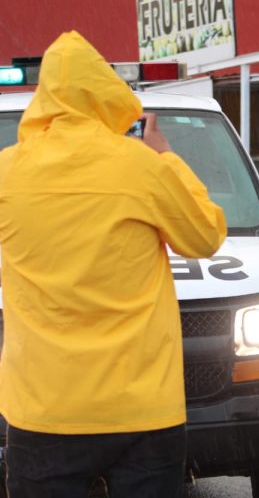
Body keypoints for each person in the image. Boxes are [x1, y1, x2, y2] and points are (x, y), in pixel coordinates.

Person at [0, 31, 226, 496]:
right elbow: (205, 236)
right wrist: (165, 156)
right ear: (104, 91)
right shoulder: (140, 167)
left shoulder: (7, 172)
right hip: (141, 411)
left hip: (43, 410)